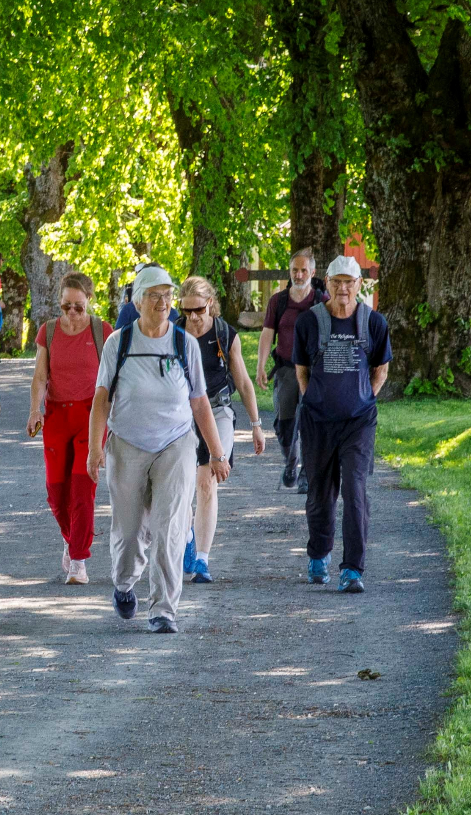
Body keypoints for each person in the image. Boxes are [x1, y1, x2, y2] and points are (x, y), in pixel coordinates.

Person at [88, 266, 230, 634]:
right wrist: (94, 449)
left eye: (168, 295)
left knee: (170, 526)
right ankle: (123, 582)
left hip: (176, 443)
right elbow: (101, 400)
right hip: (126, 443)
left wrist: (216, 453)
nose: (163, 302)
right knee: (131, 530)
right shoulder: (118, 343)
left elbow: (200, 402)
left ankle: (163, 609)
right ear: (137, 302)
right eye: (154, 295)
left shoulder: (184, 344)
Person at [293, 254, 392, 593]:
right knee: (320, 492)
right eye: (337, 282)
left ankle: (352, 569)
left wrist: (363, 398)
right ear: (328, 283)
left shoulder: (373, 322)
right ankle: (319, 555)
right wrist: (315, 401)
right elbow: (302, 370)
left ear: (358, 285)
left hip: (359, 423)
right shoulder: (310, 322)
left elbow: (381, 369)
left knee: (355, 490)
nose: (343, 289)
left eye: (349, 282)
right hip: (318, 422)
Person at [175, 275, 266, 584]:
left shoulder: (226, 335)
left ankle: (202, 559)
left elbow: (242, 383)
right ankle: (186, 534)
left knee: (207, 481)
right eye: (186, 311)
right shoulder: (172, 333)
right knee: (182, 487)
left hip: (217, 410)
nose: (192, 318)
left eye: (198, 310)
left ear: (210, 304)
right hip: (182, 414)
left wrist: (256, 426)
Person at [26, 272, 110, 585]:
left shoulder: (103, 332)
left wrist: (107, 432)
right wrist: (36, 410)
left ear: (89, 301)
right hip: (57, 417)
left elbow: (112, 381)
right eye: (66, 307)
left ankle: (79, 561)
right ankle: (72, 538)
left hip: (91, 415)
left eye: (78, 307)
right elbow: (39, 377)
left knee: (81, 489)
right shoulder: (47, 332)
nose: (72, 314)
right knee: (56, 491)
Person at [257, 249, 327, 493]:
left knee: (310, 422)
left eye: (303, 270)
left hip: (314, 372)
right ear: (290, 271)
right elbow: (267, 334)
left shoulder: (322, 301)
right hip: (286, 370)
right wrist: (261, 366)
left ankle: (307, 473)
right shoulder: (279, 301)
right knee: (284, 424)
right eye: (295, 270)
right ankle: (291, 462)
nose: (299, 275)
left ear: (313, 272)